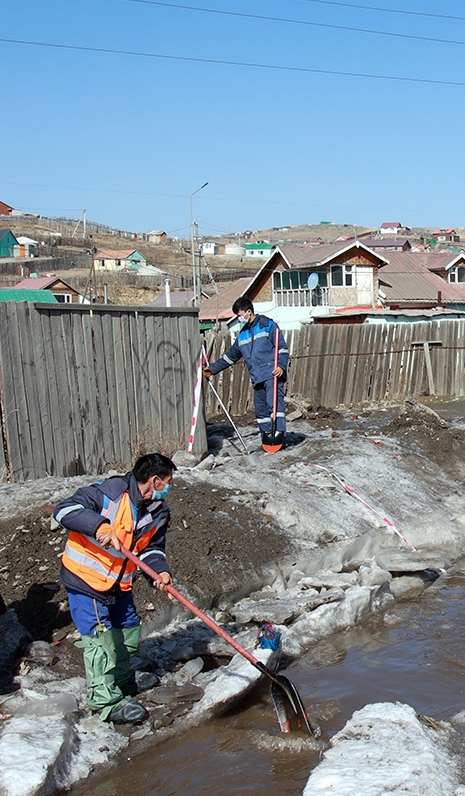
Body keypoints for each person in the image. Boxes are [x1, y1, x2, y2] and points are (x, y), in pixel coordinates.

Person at [51, 453, 177, 726]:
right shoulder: (108, 493)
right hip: (86, 579)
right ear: (155, 481)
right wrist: (99, 525)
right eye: (168, 482)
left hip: (119, 583)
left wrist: (159, 571)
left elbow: (152, 549)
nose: (169, 487)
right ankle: (105, 701)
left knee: (128, 631)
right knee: (100, 641)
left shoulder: (158, 510)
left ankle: (121, 679)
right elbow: (64, 510)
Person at [205, 296, 291, 452]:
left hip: (271, 374)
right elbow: (230, 357)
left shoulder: (268, 325)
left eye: (239, 315)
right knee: (261, 411)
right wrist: (212, 369)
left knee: (275, 408)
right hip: (257, 377)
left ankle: (280, 438)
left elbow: (282, 349)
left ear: (248, 311)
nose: (239, 318)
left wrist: (281, 366)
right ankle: (267, 439)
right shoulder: (243, 334)